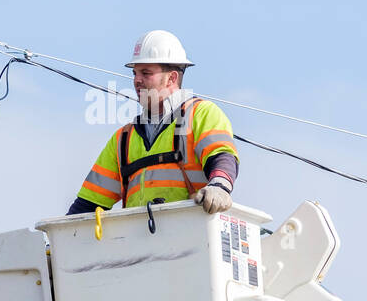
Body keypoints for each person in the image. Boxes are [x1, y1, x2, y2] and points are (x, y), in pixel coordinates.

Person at [66, 30, 239, 216]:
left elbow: (222, 157)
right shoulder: (123, 139)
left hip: (192, 235)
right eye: (135, 73)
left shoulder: (201, 114)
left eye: (146, 73)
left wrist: (219, 187)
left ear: (172, 78)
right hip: (137, 241)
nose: (136, 80)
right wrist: (58, 238)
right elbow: (88, 203)